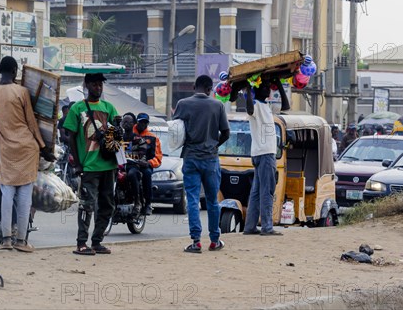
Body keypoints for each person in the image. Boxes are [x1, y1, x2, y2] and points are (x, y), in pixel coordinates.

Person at [0, 56, 55, 253]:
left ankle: (6, 240)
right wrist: (44, 148)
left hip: (6, 149)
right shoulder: (22, 91)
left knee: (7, 194)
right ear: (15, 71)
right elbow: (31, 123)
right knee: (24, 196)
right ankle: (21, 241)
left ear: (0, 70)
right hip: (27, 148)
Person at [63, 73, 120, 256]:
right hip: (89, 166)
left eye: (100, 84)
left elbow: (117, 139)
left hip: (108, 165)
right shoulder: (77, 108)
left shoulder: (109, 108)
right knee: (87, 205)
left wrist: (118, 128)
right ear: (87, 85)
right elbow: (70, 137)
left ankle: (97, 241)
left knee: (107, 205)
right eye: (94, 84)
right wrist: (77, 164)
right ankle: (81, 243)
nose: (98, 87)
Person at [173, 75, 230, 253]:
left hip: (190, 158)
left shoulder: (183, 104)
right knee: (213, 201)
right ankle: (214, 240)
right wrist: (213, 145)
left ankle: (196, 242)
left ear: (193, 87)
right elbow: (226, 133)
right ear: (209, 89)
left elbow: (176, 130)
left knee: (192, 199)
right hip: (211, 159)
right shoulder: (217, 105)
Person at [242, 77, 290, 236]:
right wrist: (248, 88)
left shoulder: (266, 106)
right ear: (258, 89)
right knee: (267, 190)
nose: (269, 89)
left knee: (256, 192)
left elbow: (286, 106)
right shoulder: (255, 104)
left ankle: (250, 226)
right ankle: (267, 227)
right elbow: (249, 108)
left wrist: (280, 86)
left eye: (270, 87)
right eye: (266, 87)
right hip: (265, 154)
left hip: (260, 153)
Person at [122, 112, 162, 216]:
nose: (142, 124)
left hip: (144, 165)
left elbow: (158, 157)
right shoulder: (127, 134)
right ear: (136, 122)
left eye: (145, 123)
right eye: (141, 122)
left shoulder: (153, 138)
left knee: (147, 174)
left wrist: (148, 162)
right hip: (128, 163)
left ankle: (147, 203)